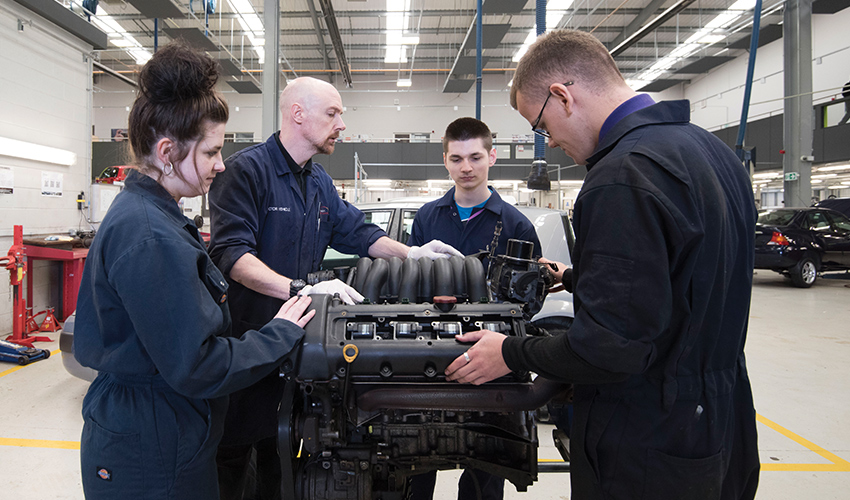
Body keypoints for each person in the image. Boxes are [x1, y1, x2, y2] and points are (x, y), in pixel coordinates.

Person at [446, 29, 761, 500]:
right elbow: (686, 280)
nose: (549, 142)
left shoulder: (622, 176)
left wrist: (509, 352)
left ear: (561, 96)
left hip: (646, 443)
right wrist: (574, 277)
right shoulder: (714, 154)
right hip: (721, 423)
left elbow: (610, 349)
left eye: (541, 126)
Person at [73, 42, 315, 500]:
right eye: (211, 153)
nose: (221, 166)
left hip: (164, 425)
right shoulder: (149, 237)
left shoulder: (157, 216)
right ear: (168, 151)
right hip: (152, 441)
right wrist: (280, 331)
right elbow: (197, 365)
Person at [208, 76, 462, 500]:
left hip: (296, 348)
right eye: (333, 113)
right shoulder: (245, 171)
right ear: (298, 114)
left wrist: (413, 254)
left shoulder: (319, 182)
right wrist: (299, 289)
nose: (341, 123)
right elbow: (232, 257)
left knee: (283, 453)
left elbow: (359, 233)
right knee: (233, 459)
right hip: (246, 347)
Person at [407, 117, 542, 500]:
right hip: (428, 355)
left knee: (484, 466)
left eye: (475, 157)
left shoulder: (517, 225)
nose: (466, 167)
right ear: (445, 161)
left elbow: (528, 302)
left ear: (492, 157)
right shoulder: (427, 217)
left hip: (491, 359)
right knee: (416, 458)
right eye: (457, 158)